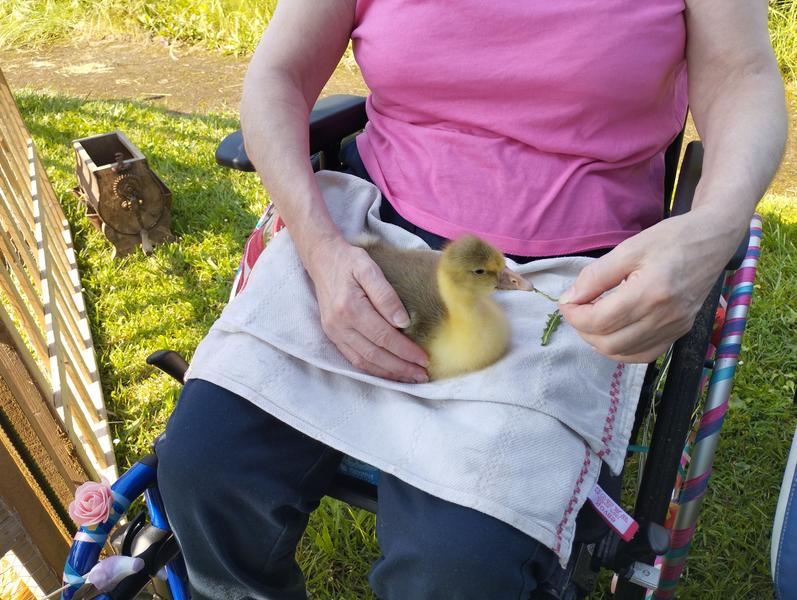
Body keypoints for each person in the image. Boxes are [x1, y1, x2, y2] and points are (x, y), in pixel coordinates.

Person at [156, 1, 787, 598]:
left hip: (567, 283)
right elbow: (278, 74)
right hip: (368, 236)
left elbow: (741, 75)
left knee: (457, 565)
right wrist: (320, 250)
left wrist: (716, 223)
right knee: (203, 469)